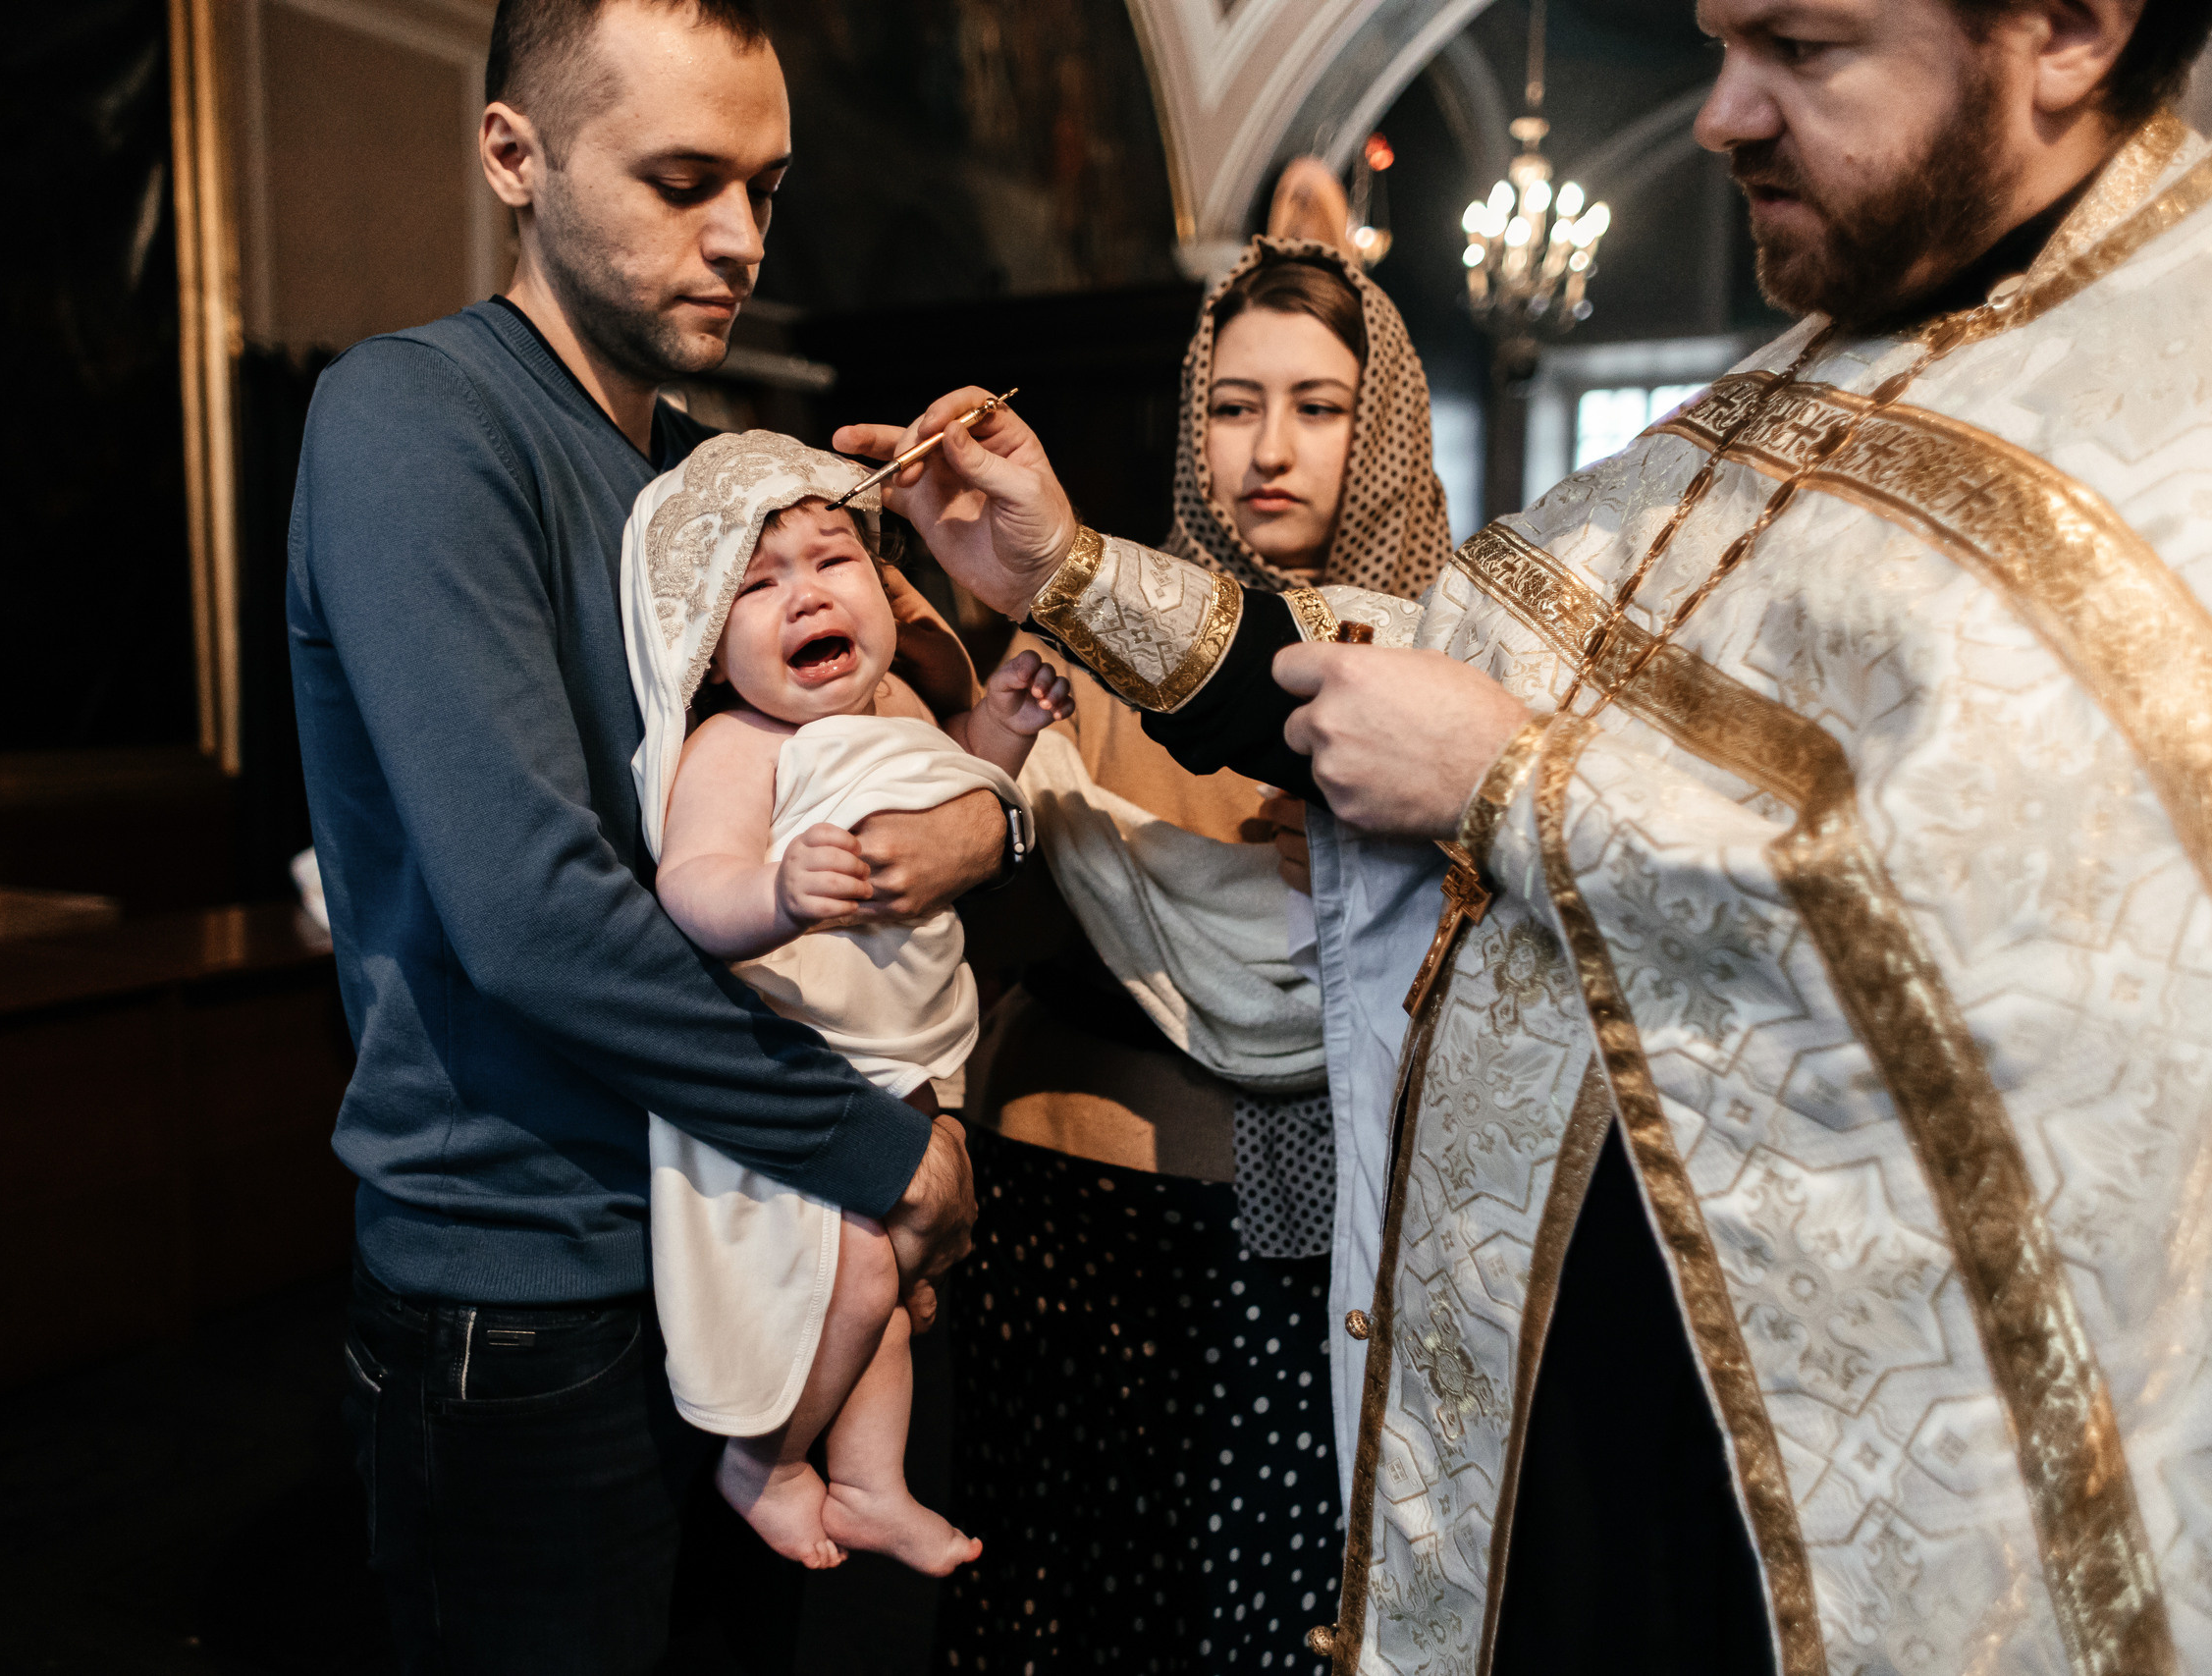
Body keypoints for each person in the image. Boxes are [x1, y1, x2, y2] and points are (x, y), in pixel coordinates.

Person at [842, 1, 2212, 1670]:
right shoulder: (1820, 372)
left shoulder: (2182, 427)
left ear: (2068, 27)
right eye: (1720, 39)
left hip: (1818, 1503)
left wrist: (1521, 788)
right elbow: (1409, 671)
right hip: (1566, 1435)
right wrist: (1061, 573)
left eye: (1800, 46)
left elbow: (2093, 981)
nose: (1721, 113)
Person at [286, 2, 1007, 1669]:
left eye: (764, 184)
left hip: (739, 1224)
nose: (743, 238)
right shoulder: (415, 421)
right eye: (684, 179)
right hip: (531, 1273)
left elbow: (888, 773)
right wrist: (876, 1148)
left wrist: (975, 775)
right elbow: (533, 912)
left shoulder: (722, 491)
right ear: (512, 155)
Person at [938, 238, 1449, 1673]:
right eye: (1230, 406)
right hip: (1065, 1202)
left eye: (1317, 405)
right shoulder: (1082, 637)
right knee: (1060, 1589)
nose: (1266, 449)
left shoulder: (1448, 665)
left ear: (1387, 426)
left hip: (1299, 1246)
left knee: (1260, 1607)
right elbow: (947, 908)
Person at [618, 430, 1072, 1577]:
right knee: (865, 1274)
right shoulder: (738, 742)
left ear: (884, 587)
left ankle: (870, 1482)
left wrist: (1003, 732)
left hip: (910, 1063)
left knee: (884, 1291)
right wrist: (772, 893)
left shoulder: (897, 711)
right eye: (759, 586)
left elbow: (957, 784)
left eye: (832, 562)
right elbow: (691, 885)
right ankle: (762, 1459)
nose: (805, 595)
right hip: (798, 1071)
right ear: (710, 653)